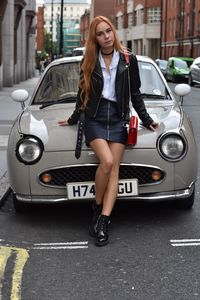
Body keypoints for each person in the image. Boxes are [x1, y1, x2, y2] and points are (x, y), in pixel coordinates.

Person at [58, 16, 159, 247]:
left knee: (114, 170)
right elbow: (82, 93)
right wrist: (74, 118)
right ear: (95, 39)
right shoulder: (89, 60)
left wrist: (147, 119)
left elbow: (135, 93)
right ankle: (96, 204)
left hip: (118, 117)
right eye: (101, 34)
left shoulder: (127, 59)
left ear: (114, 32)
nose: (107, 36)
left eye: (109, 31)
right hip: (94, 117)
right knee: (107, 162)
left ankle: (103, 219)